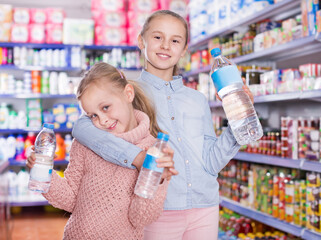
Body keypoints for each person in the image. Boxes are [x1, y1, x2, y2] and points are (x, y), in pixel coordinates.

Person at [72, 10, 254, 240]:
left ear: (184, 50)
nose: (166, 45)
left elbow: (211, 162)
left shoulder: (197, 99)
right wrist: (138, 157)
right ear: (141, 41)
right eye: (158, 37)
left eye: (175, 40)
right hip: (158, 209)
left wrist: (240, 117)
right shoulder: (129, 93)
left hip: (205, 207)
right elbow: (82, 127)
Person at [26, 62, 178, 240]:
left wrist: (156, 181)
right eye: (93, 116)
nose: (102, 120)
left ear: (128, 94)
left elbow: (140, 219)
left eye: (105, 107)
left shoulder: (152, 150)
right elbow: (71, 199)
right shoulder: (85, 144)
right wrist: (43, 173)